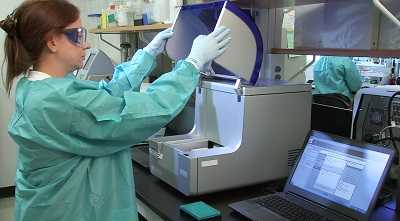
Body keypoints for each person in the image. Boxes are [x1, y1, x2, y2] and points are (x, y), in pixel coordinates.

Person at [0, 0, 231, 220]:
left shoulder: (35, 87)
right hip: (69, 210)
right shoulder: (58, 100)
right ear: (51, 42)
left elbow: (105, 96)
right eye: (78, 36)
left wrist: (147, 54)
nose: (87, 43)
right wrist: (193, 63)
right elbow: (150, 109)